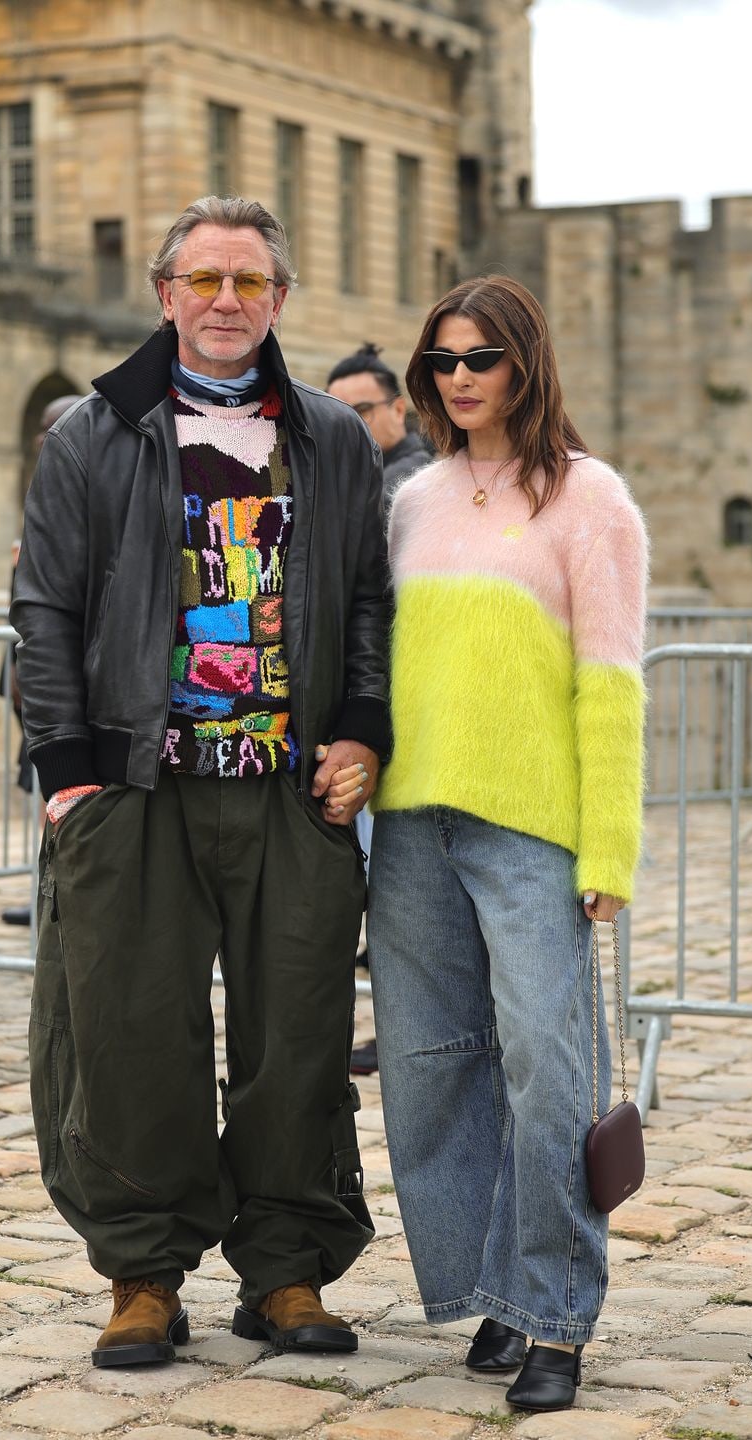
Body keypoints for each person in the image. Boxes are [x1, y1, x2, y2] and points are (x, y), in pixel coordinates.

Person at [11, 195, 391, 1368]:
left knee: (297, 1037)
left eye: (251, 283)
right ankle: (143, 1271)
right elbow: (44, 608)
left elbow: (372, 604)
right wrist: (69, 775)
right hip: (139, 786)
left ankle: (285, 1271)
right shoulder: (91, 432)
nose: (228, 301)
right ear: (165, 292)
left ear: (280, 299)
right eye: (205, 279)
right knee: (131, 1036)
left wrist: (362, 731)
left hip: (287, 789)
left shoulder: (330, 436)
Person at [358, 275, 648, 1414]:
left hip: (533, 831)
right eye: (442, 362)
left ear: (526, 361)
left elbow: (612, 685)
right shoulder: (415, 499)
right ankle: (495, 1291)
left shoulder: (590, 500)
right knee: (433, 1072)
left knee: (547, 1072)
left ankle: (557, 1318)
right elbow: (388, 664)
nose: (460, 378)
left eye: (480, 357)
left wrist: (607, 855)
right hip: (414, 827)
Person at [325, 345, 433, 1077]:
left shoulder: (410, 484)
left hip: (402, 713)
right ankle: (399, 1031)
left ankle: (408, 1034)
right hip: (371, 710)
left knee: (401, 903)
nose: (354, 424)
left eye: (364, 409)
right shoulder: (363, 475)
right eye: (341, 412)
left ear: (398, 408)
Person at [2, 394, 82, 927]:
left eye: (48, 431)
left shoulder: (74, 480)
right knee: (41, 789)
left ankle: (56, 898)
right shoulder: (45, 484)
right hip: (32, 659)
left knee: (56, 792)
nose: (41, 442)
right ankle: (45, 894)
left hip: (61, 679)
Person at [326, 344, 434, 513]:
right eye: (337, 415)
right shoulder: (350, 475)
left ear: (398, 410)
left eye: (361, 410)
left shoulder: (412, 477)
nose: (349, 425)